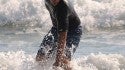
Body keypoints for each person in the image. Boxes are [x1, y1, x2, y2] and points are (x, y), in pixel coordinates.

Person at [36, 0, 82, 69]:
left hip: (73, 30)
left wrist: (57, 61)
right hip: (56, 28)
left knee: (63, 61)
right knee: (40, 57)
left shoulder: (62, 8)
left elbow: (62, 37)